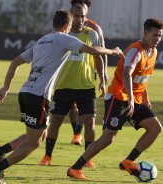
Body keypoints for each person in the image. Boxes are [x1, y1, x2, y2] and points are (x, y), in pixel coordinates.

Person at [0, 9, 122, 184]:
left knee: (37, 136)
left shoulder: (42, 40)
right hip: (38, 96)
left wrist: (5, 88)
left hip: (26, 92)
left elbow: (15, 62)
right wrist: (114, 51)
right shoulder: (63, 38)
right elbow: (93, 50)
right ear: (67, 25)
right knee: (33, 143)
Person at [67, 18, 163, 180]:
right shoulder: (136, 50)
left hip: (134, 99)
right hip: (119, 97)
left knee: (155, 127)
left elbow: (142, 77)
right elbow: (127, 73)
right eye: (155, 35)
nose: (157, 39)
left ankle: (128, 161)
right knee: (108, 137)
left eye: (160, 36)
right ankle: (75, 168)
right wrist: (131, 99)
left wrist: (144, 97)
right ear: (146, 33)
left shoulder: (153, 52)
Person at [39, 4, 104, 168]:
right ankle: (47, 156)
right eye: (76, 16)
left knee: (90, 121)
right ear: (70, 16)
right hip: (63, 85)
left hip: (86, 86)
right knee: (56, 121)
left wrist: (102, 78)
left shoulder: (92, 34)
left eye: (83, 16)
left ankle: (88, 158)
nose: (80, 19)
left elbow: (98, 58)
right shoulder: (62, 36)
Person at [68, 0, 108, 144]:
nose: (80, 17)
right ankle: (76, 132)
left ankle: (78, 134)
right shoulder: (67, 25)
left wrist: (104, 74)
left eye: (83, 12)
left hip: (89, 70)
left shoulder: (95, 28)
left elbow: (101, 51)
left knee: (83, 105)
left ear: (87, 11)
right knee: (71, 106)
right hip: (68, 72)